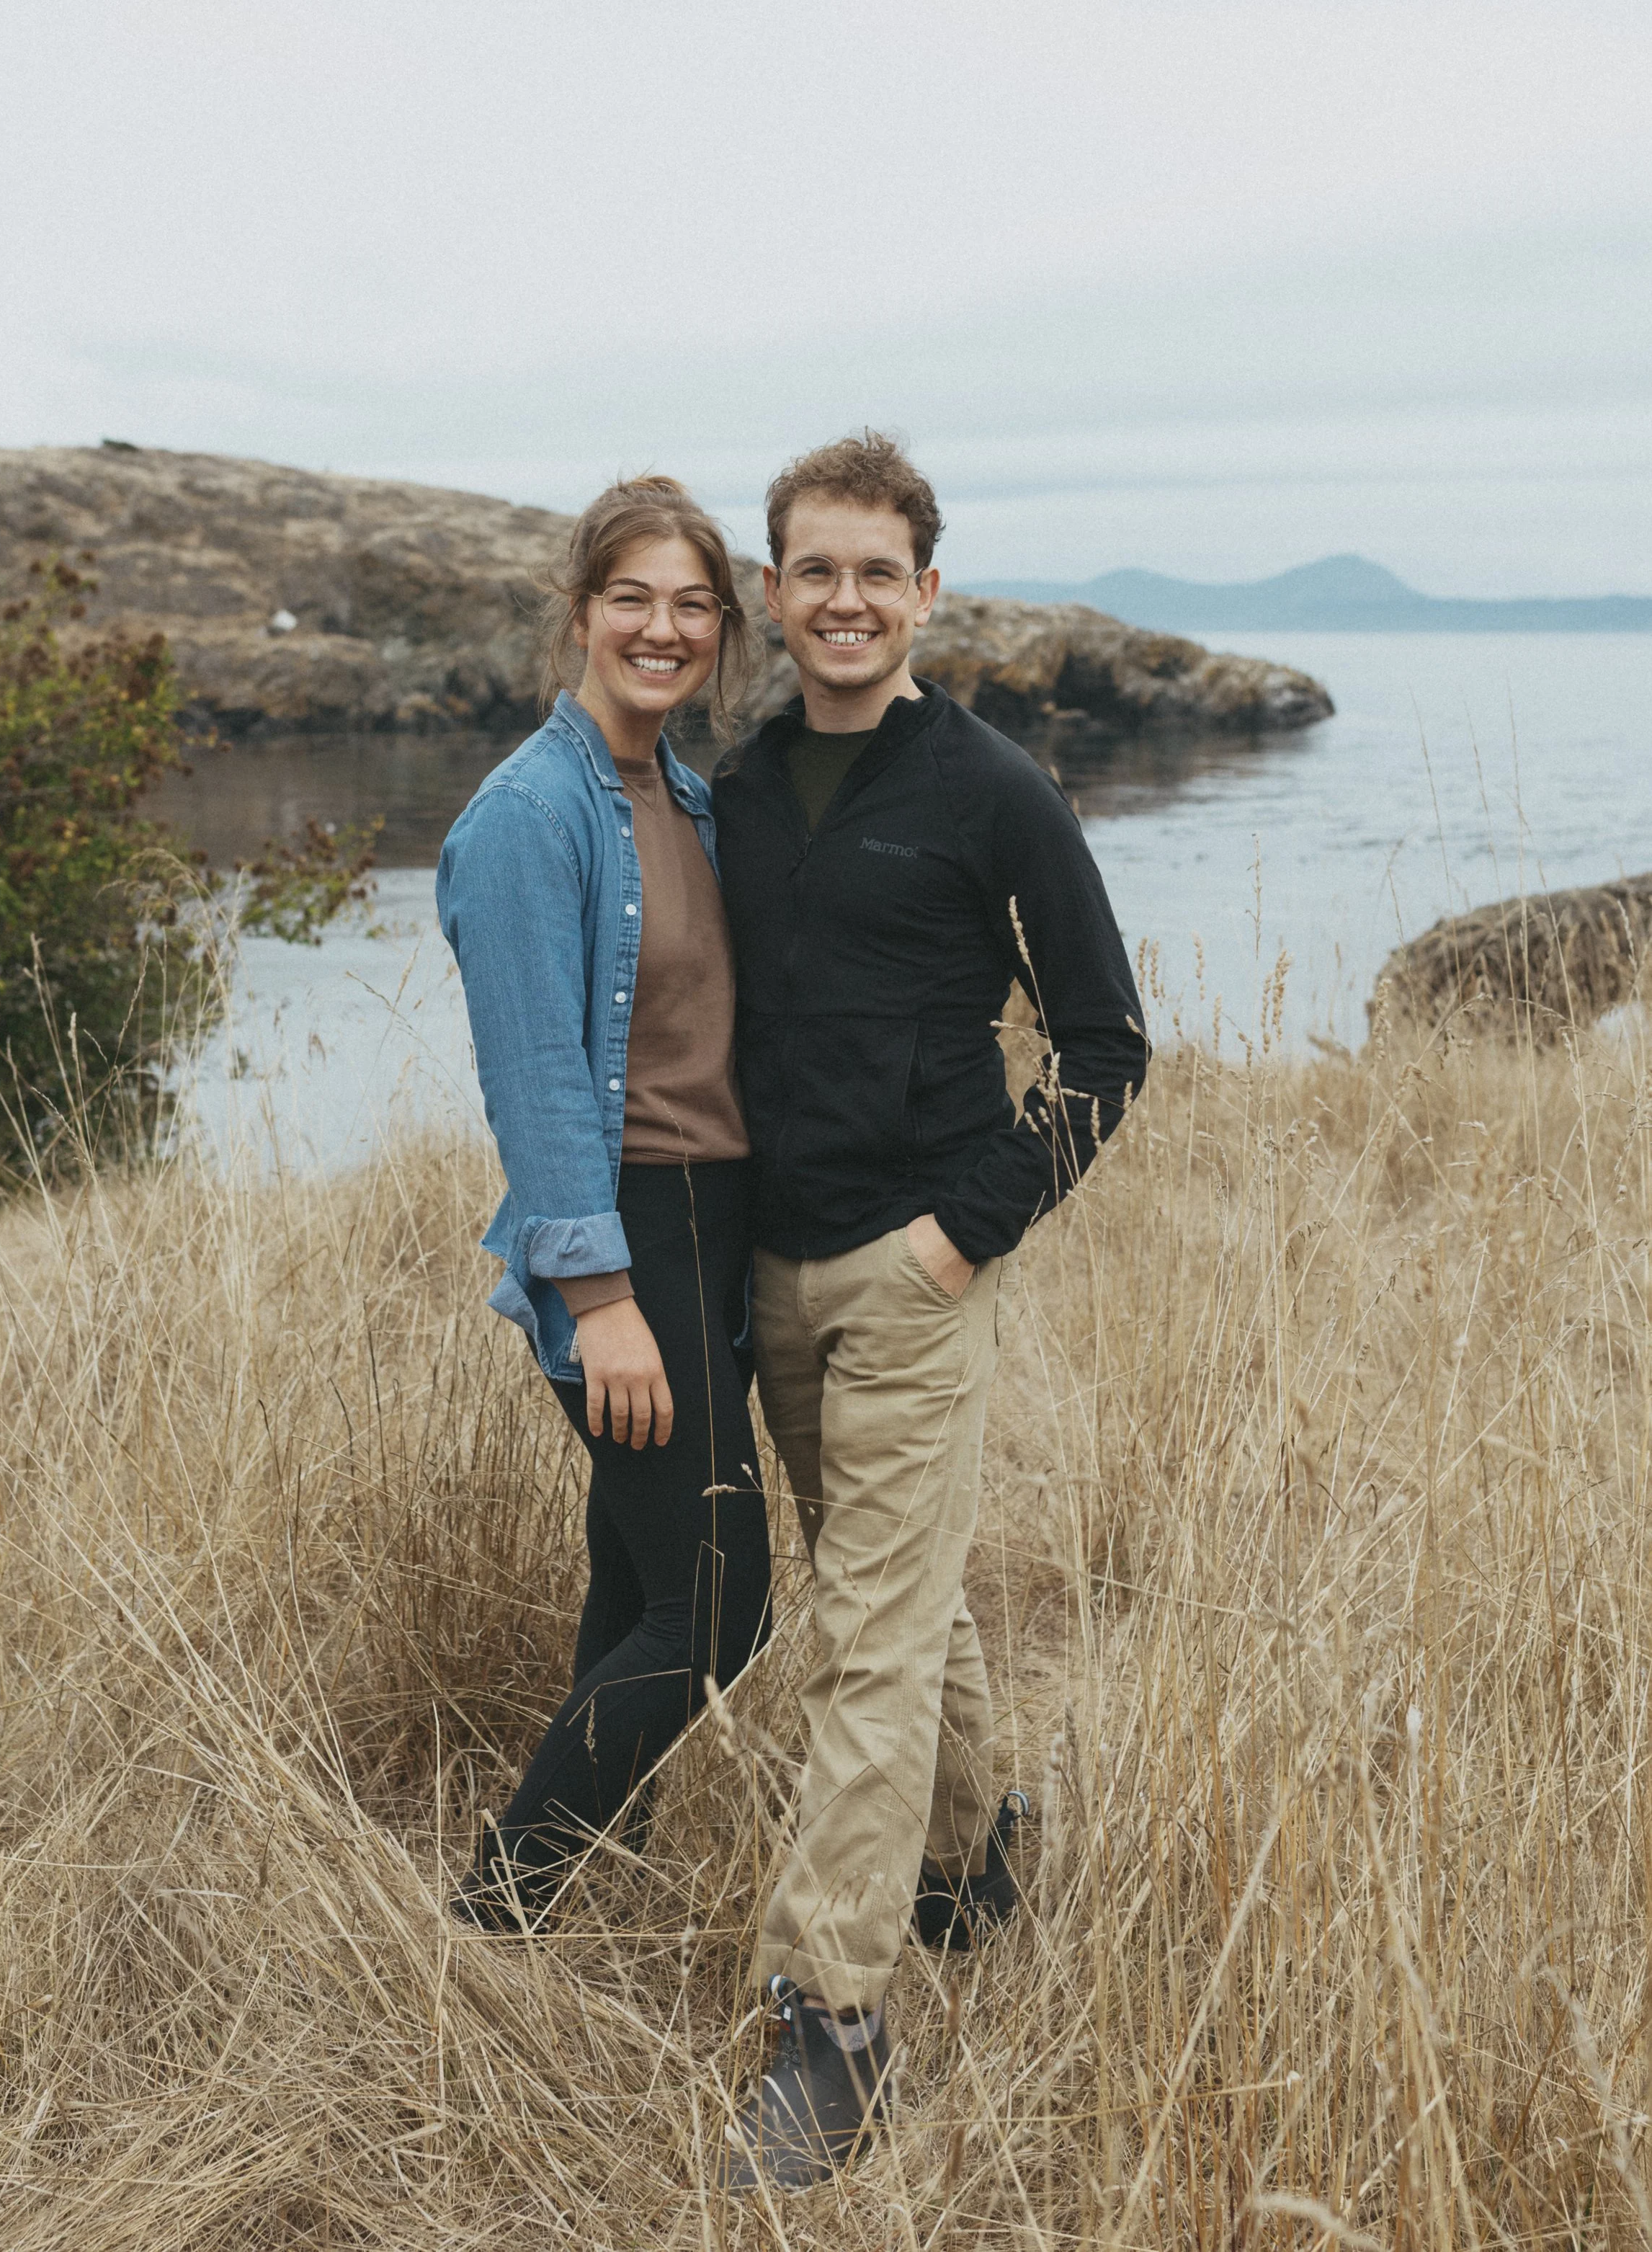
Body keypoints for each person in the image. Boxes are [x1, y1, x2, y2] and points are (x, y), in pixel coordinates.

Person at [712, 432, 1150, 2191]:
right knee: (890, 1587)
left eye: (872, 571)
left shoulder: (992, 789)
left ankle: (835, 2019)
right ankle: (974, 1851)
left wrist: (959, 1238)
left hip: (912, 1273)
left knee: (866, 1639)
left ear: (924, 594)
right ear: (772, 591)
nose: (840, 599)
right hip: (769, 1270)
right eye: (810, 570)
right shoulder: (731, 790)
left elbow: (1108, 1047)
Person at [436, 476, 771, 1924]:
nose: (662, 625)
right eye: (630, 596)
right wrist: (601, 1295)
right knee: (711, 1600)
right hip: (627, 1238)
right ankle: (499, 1905)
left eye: (691, 601)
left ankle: (564, 1881)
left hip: (712, 1226)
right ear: (578, 614)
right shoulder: (526, 816)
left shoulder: (682, 793)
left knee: (635, 1576)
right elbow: (534, 1081)